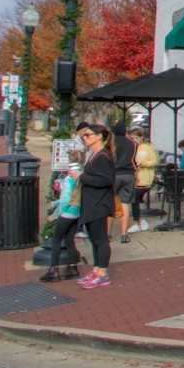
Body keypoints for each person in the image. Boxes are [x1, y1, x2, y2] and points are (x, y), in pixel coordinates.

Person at [74, 123, 117, 289]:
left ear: (99, 136)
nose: (85, 138)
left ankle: (103, 273)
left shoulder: (103, 156)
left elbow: (106, 180)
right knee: (93, 239)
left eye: (89, 135)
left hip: (99, 203)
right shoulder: (94, 155)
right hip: (91, 202)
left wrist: (82, 177)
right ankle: (97, 269)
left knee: (100, 239)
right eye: (84, 135)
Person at [39, 162, 85, 282]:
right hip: (76, 214)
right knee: (70, 240)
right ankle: (73, 268)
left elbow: (65, 199)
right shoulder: (81, 180)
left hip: (66, 214)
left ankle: (53, 270)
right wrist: (55, 203)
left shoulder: (69, 180)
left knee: (56, 239)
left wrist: (55, 215)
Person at [128, 126, 159, 233]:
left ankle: (137, 222)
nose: (133, 140)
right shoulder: (132, 147)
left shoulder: (147, 147)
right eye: (131, 138)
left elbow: (155, 160)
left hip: (144, 177)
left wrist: (144, 164)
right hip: (134, 177)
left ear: (142, 137)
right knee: (134, 199)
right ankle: (139, 220)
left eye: (135, 138)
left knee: (135, 198)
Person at [112, 123, 138, 244]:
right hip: (129, 173)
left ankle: (107, 234)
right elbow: (134, 160)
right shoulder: (132, 143)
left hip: (113, 174)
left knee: (110, 203)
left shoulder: (110, 143)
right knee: (125, 203)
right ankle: (124, 234)